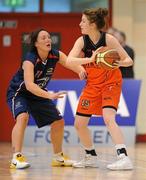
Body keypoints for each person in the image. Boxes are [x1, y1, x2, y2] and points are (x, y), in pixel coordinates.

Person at [67, 7, 134, 170]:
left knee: (108, 117)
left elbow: (128, 60)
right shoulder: (82, 41)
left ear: (92, 24)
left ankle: (123, 157)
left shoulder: (108, 39)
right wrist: (85, 64)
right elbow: (69, 60)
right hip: (92, 84)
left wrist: (118, 62)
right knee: (79, 123)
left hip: (111, 82)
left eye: (83, 21)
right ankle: (90, 156)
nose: (80, 24)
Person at [7, 28, 78, 169]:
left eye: (49, 37)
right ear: (36, 43)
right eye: (44, 38)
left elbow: (70, 62)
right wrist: (50, 95)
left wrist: (82, 71)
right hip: (19, 93)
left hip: (38, 93)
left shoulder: (55, 55)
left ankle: (58, 157)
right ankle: (16, 158)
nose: (48, 40)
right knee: (22, 117)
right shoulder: (29, 60)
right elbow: (29, 85)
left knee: (58, 122)